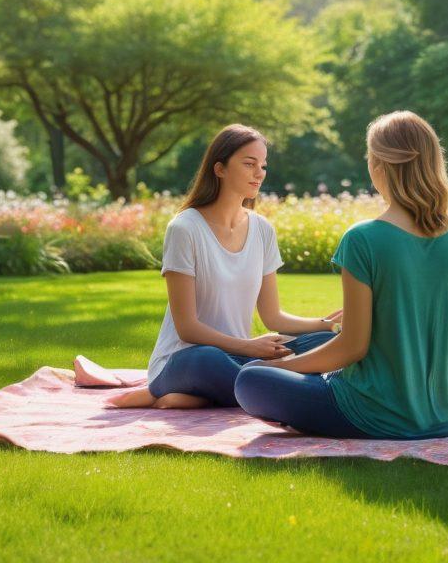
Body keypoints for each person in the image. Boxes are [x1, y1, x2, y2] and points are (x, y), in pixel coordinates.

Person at [232, 110, 448, 439]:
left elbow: (352, 347)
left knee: (250, 378)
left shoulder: (363, 238)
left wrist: (279, 367)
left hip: (372, 413)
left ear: (378, 166)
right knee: (313, 349)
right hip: (446, 414)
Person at [107, 124, 342, 409]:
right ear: (220, 169)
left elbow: (273, 317)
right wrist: (250, 346)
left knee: (322, 343)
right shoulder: (185, 228)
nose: (259, 173)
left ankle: (211, 394)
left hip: (239, 358)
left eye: (263, 166)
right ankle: (269, 385)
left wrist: (328, 325)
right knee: (207, 358)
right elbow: (187, 328)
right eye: (249, 164)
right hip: (187, 359)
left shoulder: (262, 229)